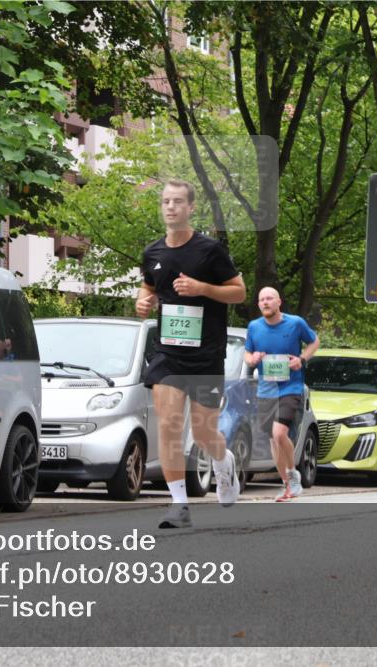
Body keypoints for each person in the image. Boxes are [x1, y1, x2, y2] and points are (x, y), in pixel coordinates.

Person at [136, 179, 246, 528]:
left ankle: (222, 461)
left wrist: (202, 289)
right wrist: (144, 300)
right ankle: (179, 504)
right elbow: (149, 286)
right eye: (166, 201)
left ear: (191, 208)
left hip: (205, 355)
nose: (171, 207)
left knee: (202, 435)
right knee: (168, 425)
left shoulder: (209, 251)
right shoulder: (153, 253)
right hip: (167, 353)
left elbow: (239, 292)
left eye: (178, 201)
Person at [244, 287, 320, 502]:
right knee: (273, 441)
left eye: (269, 298)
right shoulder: (254, 327)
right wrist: (252, 359)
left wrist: (301, 359)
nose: (265, 302)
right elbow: (248, 353)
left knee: (279, 434)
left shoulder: (295, 323)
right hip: (265, 389)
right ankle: (287, 485)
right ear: (258, 304)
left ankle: (293, 475)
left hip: (291, 388)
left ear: (279, 302)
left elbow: (314, 342)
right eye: (261, 299)